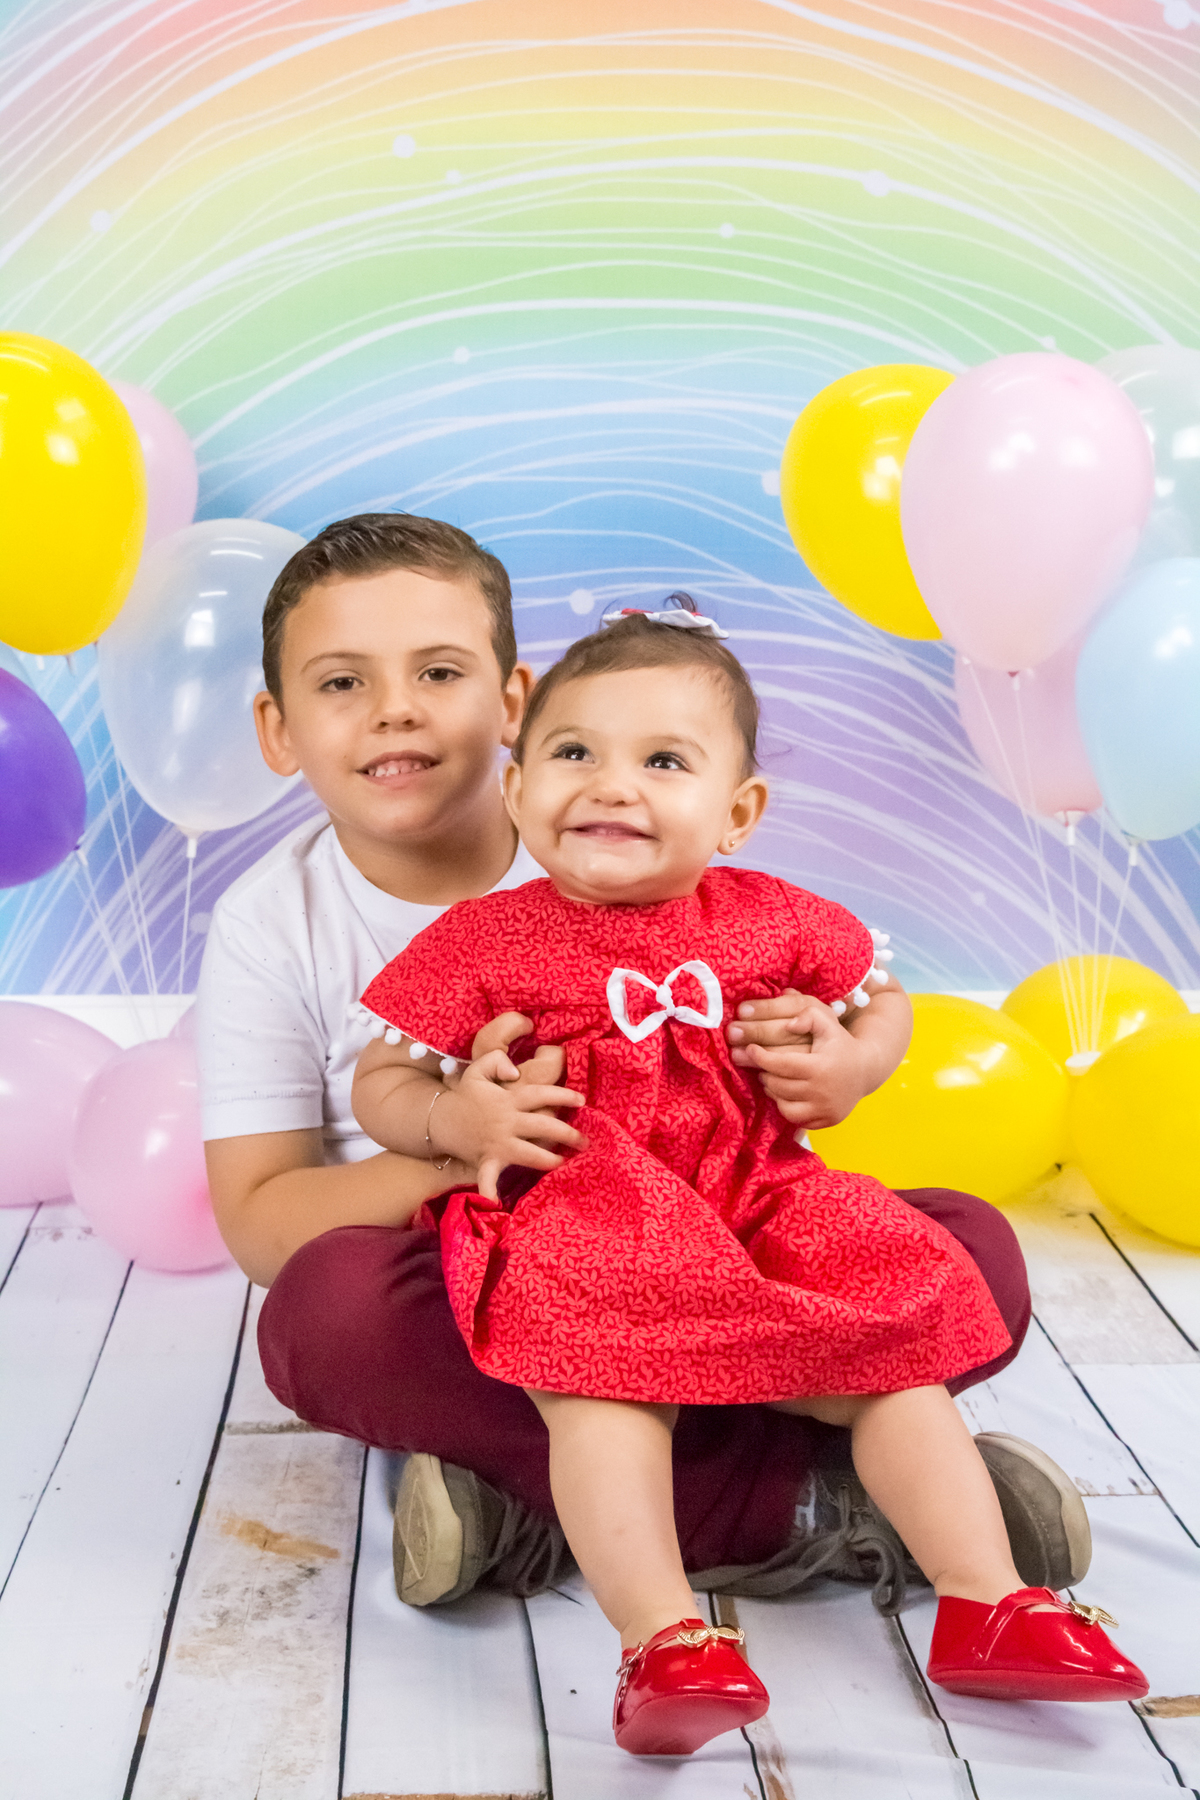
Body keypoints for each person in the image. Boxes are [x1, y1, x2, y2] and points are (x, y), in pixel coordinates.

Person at [197, 512, 1082, 1624]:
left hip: (716, 1235)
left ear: (515, 701)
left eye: (439, 671)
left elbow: (821, 983)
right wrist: (479, 1146)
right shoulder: (274, 924)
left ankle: (529, 1510)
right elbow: (262, 1223)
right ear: (277, 728)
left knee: (971, 1252)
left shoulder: (619, 821)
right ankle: (819, 1501)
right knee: (324, 1317)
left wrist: (843, 1064)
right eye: (342, 683)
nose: (397, 709)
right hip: (482, 1283)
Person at [351, 601, 1147, 1757]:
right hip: (591, 1213)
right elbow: (383, 1077)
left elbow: (883, 1001)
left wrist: (848, 1064)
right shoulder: (486, 939)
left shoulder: (771, 918)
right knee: (604, 1397)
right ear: (518, 793)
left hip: (760, 1199)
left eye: (663, 761)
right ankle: (665, 1637)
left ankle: (987, 1601)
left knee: (896, 1352)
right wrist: (450, 1114)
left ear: (737, 814)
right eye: (574, 754)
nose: (612, 786)